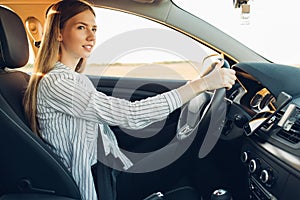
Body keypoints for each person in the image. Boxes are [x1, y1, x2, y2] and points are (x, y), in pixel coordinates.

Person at [23, 0, 236, 200]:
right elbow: (130, 115)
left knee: (180, 133)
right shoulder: (57, 83)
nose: (91, 36)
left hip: (109, 167)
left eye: (94, 29)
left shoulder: (72, 78)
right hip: (102, 184)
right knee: (195, 144)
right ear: (59, 33)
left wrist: (200, 84)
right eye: (81, 27)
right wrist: (203, 85)